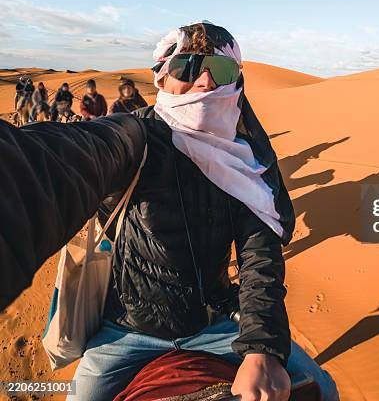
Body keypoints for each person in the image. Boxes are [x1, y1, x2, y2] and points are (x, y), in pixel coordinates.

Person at [0, 22, 338, 401]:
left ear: (236, 82)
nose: (206, 83)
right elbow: (57, 162)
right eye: (188, 68)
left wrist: (262, 348)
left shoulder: (245, 162)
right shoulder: (135, 137)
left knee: (323, 388)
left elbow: (259, 257)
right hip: (125, 332)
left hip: (216, 324)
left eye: (222, 71)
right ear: (161, 76)